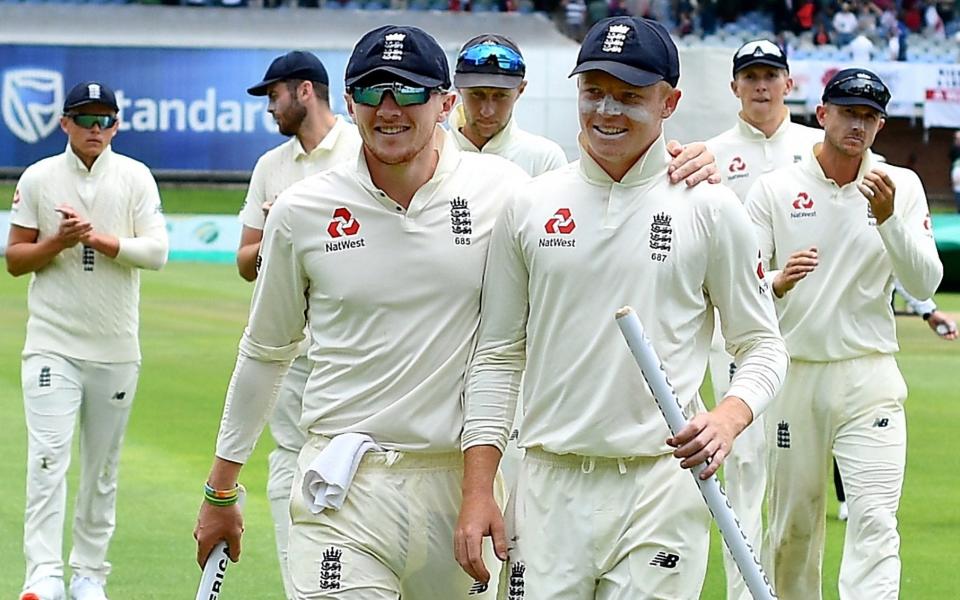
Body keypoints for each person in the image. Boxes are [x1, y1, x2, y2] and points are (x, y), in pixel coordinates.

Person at [193, 24, 719, 600]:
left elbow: (600, 193)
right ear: (348, 104)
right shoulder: (301, 210)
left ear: (445, 103)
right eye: (371, 92)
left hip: (464, 485)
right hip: (344, 485)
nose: (388, 110)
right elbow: (265, 351)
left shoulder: (507, 191)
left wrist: (681, 163)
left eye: (409, 92)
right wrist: (222, 489)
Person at [454, 17, 788, 599]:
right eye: (594, 92)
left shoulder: (710, 207)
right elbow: (498, 355)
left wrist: (728, 418)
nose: (607, 111)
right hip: (548, 487)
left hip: (661, 486)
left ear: (670, 102)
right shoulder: (529, 206)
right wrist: (480, 489)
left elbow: (762, 345)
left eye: (630, 96)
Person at [745, 68, 943, 599]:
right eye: (849, 112)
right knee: (792, 530)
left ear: (880, 125)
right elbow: (742, 286)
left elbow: (925, 279)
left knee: (876, 521)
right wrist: (779, 281)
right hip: (795, 374)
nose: (858, 124)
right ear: (823, 114)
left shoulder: (899, 186)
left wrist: (889, 221)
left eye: (869, 116)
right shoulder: (775, 189)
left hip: (868, 374)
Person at [6, 81, 168, 600]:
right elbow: (14, 260)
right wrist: (59, 241)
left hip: (116, 348)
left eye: (105, 121)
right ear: (66, 123)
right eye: (86, 119)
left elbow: (157, 252)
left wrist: (96, 238)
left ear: (117, 125)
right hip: (53, 344)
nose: (96, 129)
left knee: (102, 468)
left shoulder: (135, 177)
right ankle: (44, 575)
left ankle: (90, 575)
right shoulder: (39, 178)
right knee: (48, 459)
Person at [235, 50, 361, 600]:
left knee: (362, 469)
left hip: (353, 349)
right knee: (287, 465)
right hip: (290, 346)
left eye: (274, 95)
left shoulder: (361, 148)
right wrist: (282, 226)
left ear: (304, 91)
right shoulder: (272, 166)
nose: (270, 108)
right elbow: (244, 262)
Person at [704, 39, 823, 600]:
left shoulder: (818, 147)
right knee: (745, 473)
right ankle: (745, 593)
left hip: (812, 337)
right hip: (738, 334)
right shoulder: (711, 155)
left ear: (788, 82)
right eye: (749, 76)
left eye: (770, 75)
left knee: (800, 486)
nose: (760, 85)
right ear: (734, 86)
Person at [449, 34, 568, 177]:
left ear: (521, 90)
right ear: (458, 88)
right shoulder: (432, 155)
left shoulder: (544, 160)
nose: (487, 111)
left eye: (500, 96)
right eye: (477, 94)